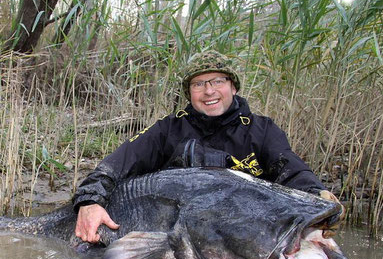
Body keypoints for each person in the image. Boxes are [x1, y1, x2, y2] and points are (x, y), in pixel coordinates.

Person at [73, 50, 342, 243]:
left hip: (239, 236)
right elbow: (115, 165)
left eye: (218, 81)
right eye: (199, 84)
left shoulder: (262, 130)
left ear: (233, 87)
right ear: (189, 93)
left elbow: (292, 172)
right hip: (177, 235)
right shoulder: (168, 129)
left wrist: (316, 197)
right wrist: (89, 202)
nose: (209, 91)